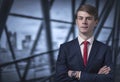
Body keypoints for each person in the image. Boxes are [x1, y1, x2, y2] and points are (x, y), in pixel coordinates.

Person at [55, 4, 114, 82]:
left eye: (88, 18)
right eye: (80, 18)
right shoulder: (65, 48)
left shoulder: (105, 49)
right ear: (76, 21)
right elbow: (60, 79)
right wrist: (96, 77)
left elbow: (109, 79)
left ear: (96, 22)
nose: (84, 22)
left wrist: (77, 74)